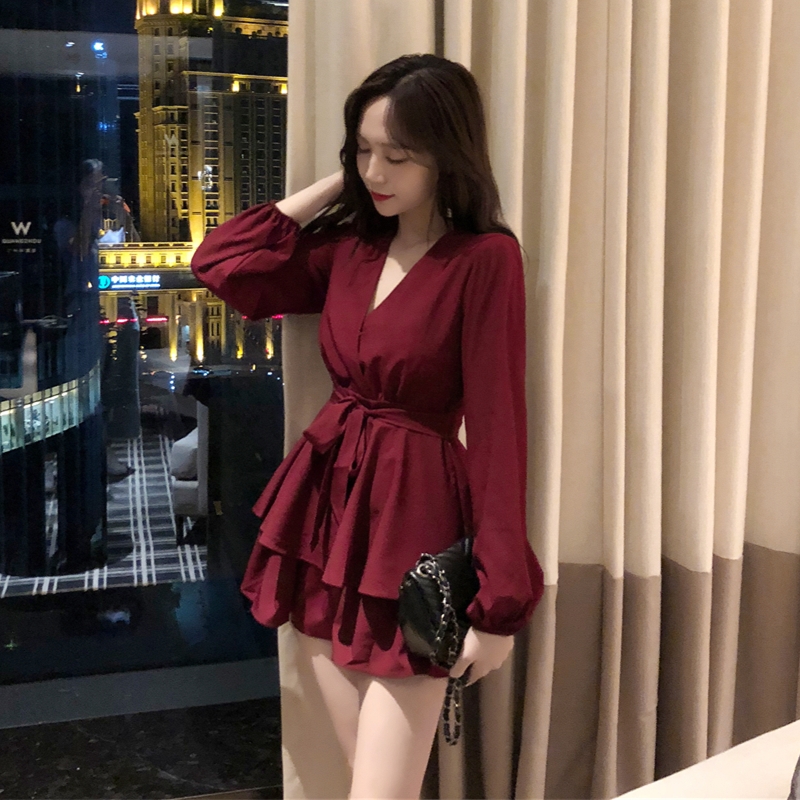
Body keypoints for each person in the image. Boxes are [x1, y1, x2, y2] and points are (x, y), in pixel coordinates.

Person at [191, 53, 544, 800]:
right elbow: (221, 262)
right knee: (369, 786)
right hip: (326, 516)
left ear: (447, 155)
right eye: (362, 150)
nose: (376, 171)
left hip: (413, 521)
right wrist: (341, 186)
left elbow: (499, 432)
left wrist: (500, 606)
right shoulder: (350, 248)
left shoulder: (485, 260)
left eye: (398, 155)